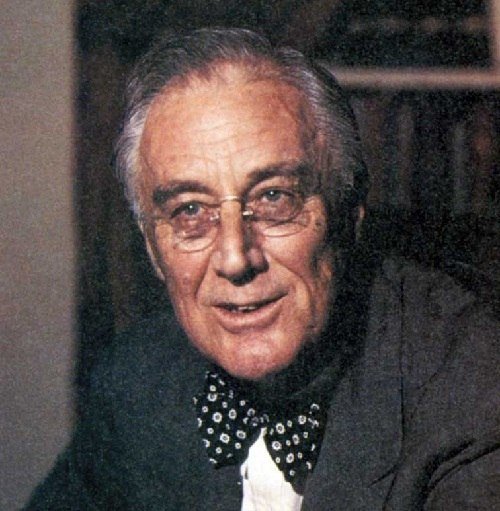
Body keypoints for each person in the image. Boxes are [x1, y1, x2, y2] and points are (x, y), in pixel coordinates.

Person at [25, 28, 499, 510]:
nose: (235, 258)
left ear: (348, 211)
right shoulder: (136, 383)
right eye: (191, 211)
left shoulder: (475, 383)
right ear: (152, 248)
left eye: (274, 198)